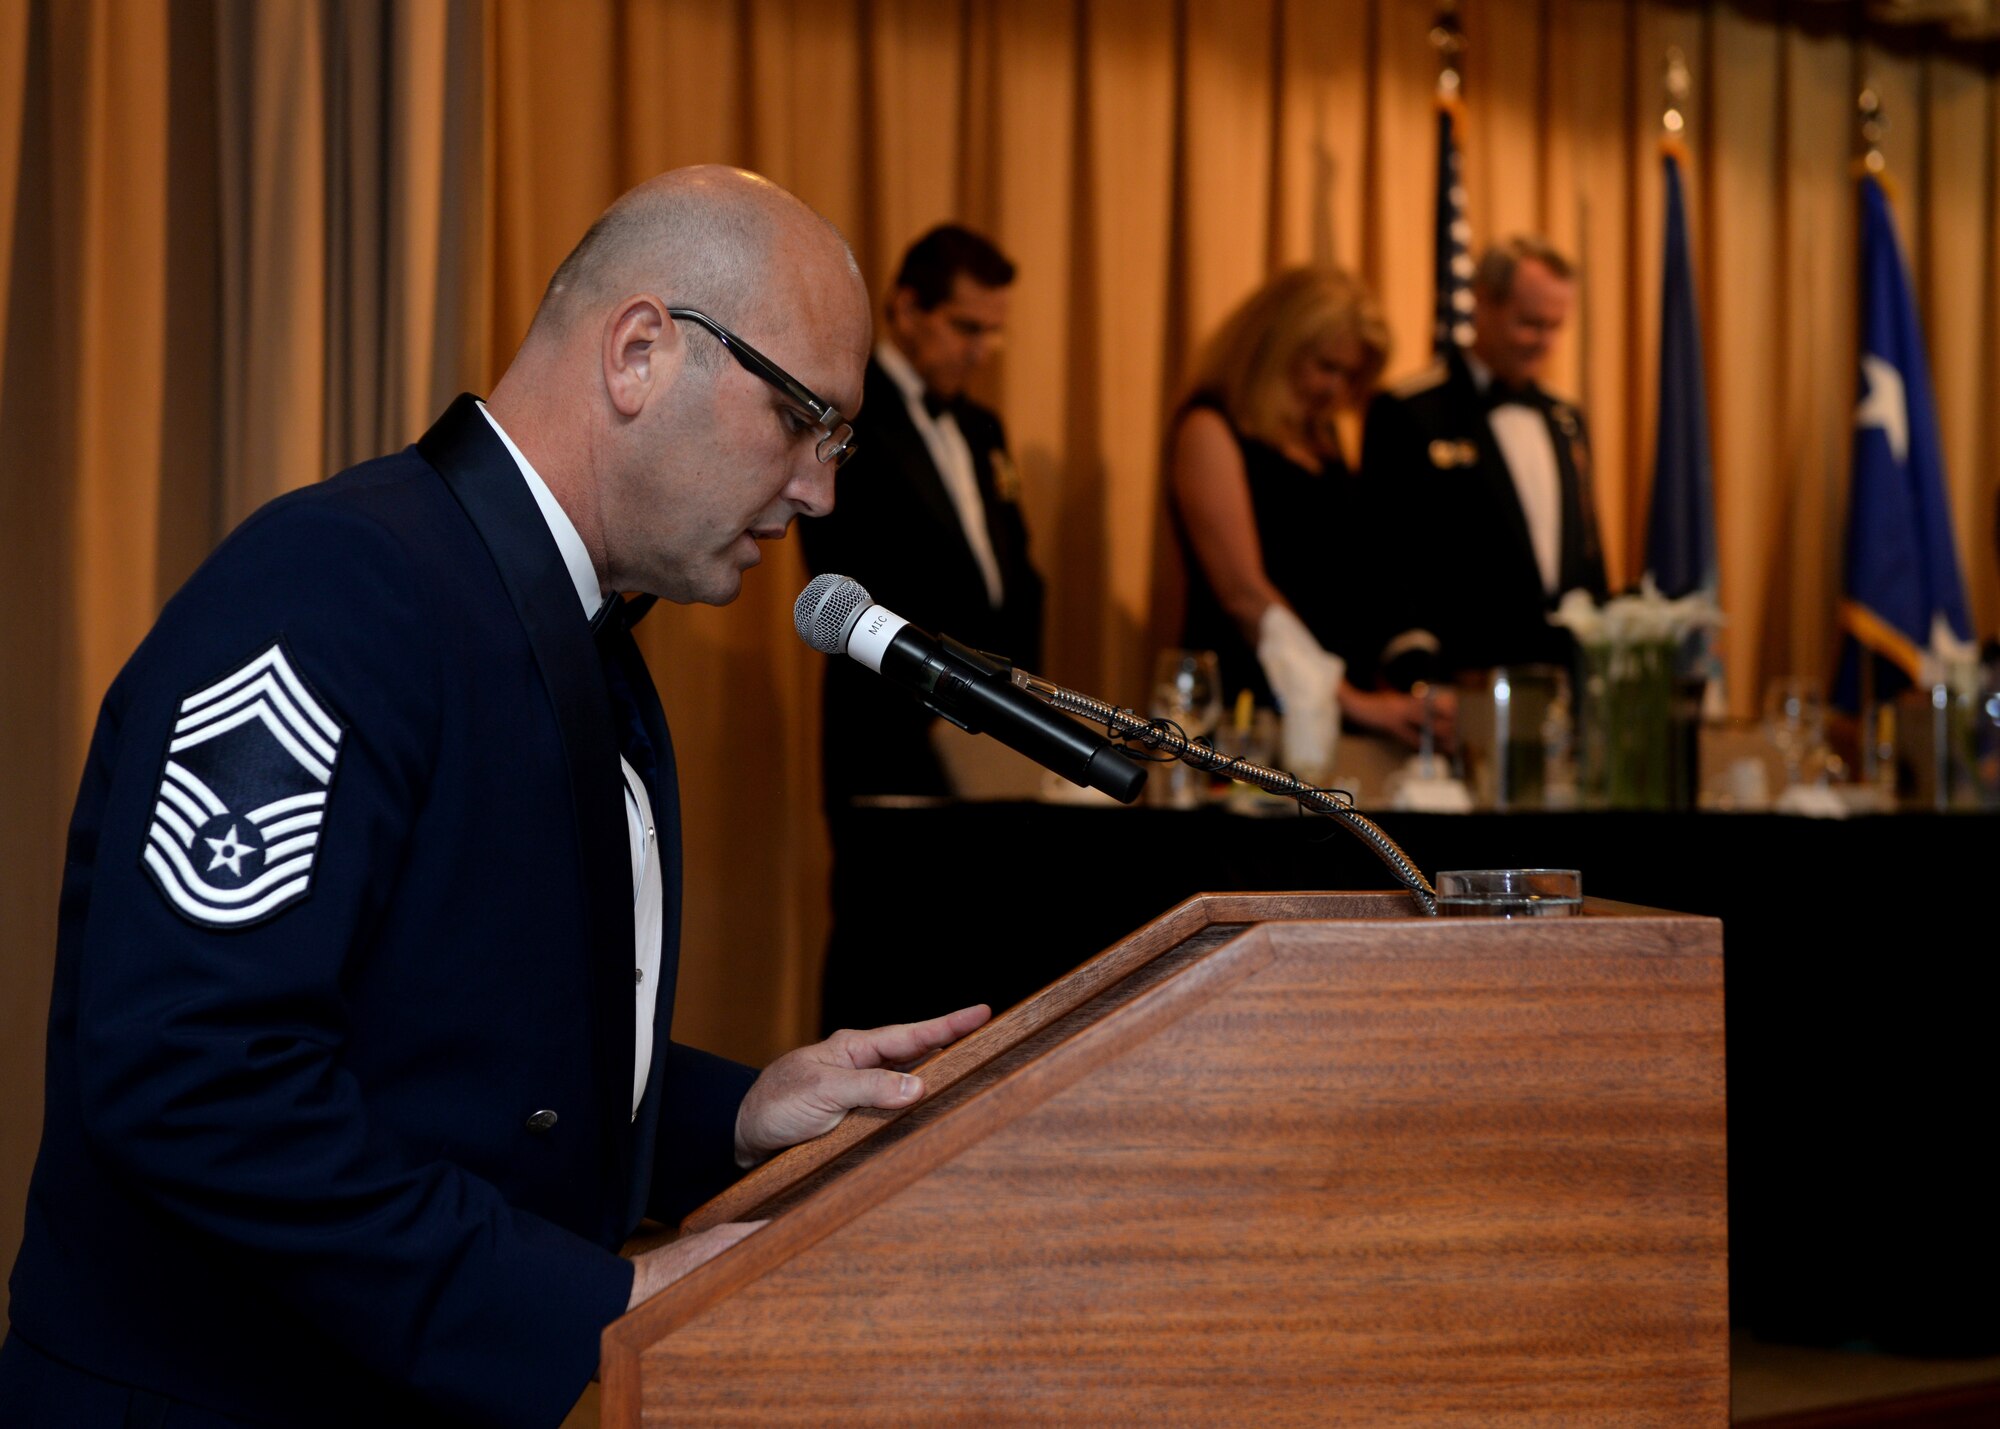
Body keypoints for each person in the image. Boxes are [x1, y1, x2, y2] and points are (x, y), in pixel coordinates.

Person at [0, 166, 989, 1429]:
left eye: (836, 441)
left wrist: (729, 1114)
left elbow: (453, 1044)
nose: (818, 492)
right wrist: (588, 1304)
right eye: (804, 419)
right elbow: (196, 1075)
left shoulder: (558, 619)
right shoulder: (337, 587)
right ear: (639, 351)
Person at [798, 224, 1044, 805]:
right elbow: (846, 577)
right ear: (908, 308)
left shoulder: (983, 426)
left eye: (993, 332)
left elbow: (1015, 575)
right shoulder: (848, 416)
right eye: (967, 328)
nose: (982, 351)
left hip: (992, 726)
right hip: (891, 728)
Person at [1166, 265, 1451, 765]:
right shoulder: (1211, 428)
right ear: (1275, 346)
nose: (1334, 390)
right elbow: (1244, 596)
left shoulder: (1323, 442)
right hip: (1253, 715)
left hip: (1332, 714)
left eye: (1350, 377)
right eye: (1325, 366)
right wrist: (1355, 701)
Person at [1358, 235, 1609, 683]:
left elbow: (1585, 554)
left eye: (1556, 327)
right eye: (1530, 323)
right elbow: (1384, 557)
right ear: (1482, 304)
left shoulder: (1565, 417)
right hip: (1461, 678)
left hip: (1562, 677)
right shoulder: (1410, 412)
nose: (1544, 342)